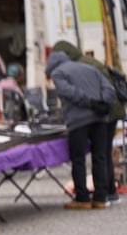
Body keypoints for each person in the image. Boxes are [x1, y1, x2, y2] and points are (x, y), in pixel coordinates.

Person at [52, 40, 124, 205]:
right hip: (110, 109)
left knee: (102, 155)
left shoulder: (78, 67)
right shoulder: (87, 62)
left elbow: (80, 93)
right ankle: (108, 193)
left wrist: (94, 105)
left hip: (106, 112)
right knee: (103, 154)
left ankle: (106, 194)